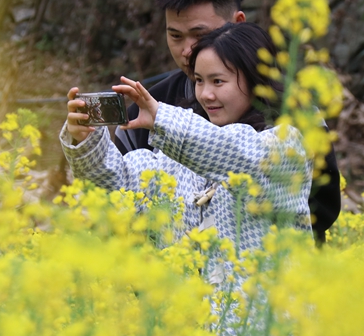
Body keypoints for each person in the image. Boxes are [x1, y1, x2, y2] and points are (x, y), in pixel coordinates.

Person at [113, 0, 341, 243]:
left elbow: (321, 207)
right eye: (175, 36)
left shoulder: (289, 108)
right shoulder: (150, 107)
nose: (187, 50)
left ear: (238, 23)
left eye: (200, 34)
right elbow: (120, 198)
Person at [61, 22, 312, 261]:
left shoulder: (285, 145)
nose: (205, 94)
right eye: (199, 81)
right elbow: (120, 187)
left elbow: (235, 153)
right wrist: (89, 141)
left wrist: (162, 118)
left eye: (218, 81)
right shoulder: (177, 154)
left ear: (256, 81)